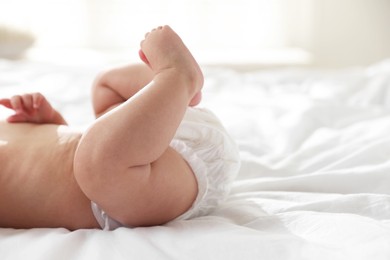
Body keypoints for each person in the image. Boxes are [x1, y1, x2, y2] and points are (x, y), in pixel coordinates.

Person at [0, 25, 240, 230]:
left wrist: (47, 121)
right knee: (94, 161)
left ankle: (170, 92)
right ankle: (175, 78)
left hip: (151, 135)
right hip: (133, 187)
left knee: (105, 85)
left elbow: (56, 152)